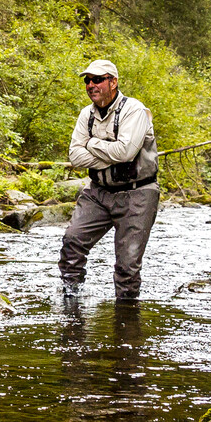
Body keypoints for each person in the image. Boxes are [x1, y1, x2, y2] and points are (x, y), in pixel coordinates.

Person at [61, 59, 160, 302]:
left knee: (127, 265)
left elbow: (126, 153)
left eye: (97, 79)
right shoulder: (87, 114)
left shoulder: (134, 110)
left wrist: (92, 145)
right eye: (87, 81)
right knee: (72, 241)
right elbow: (75, 155)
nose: (91, 85)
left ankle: (126, 319)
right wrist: (110, 155)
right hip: (98, 192)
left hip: (138, 193)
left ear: (113, 82)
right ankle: (70, 300)